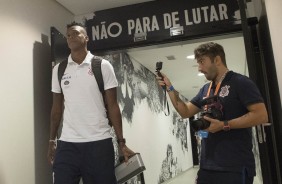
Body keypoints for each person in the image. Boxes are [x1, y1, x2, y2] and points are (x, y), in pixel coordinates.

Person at [156, 42, 268, 184]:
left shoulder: (240, 82)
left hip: (235, 167)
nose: (200, 68)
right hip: (207, 167)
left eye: (202, 62)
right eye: (198, 63)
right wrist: (169, 87)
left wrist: (224, 125)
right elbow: (185, 111)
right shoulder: (205, 89)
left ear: (217, 60)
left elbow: (261, 115)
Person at [47, 22, 134, 184]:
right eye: (68, 35)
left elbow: (113, 106)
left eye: (75, 33)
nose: (71, 37)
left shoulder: (102, 66)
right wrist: (52, 141)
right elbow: (56, 108)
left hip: (99, 144)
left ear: (86, 38)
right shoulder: (59, 69)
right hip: (67, 145)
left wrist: (121, 142)